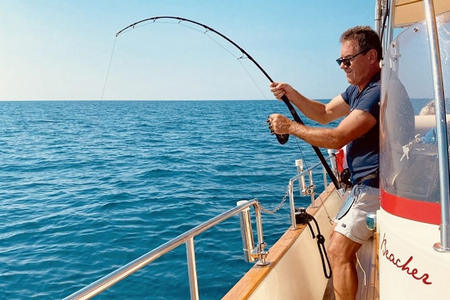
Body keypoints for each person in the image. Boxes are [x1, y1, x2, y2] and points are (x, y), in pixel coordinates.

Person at [267, 26, 382, 300]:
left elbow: (337, 136)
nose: (342, 66)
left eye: (347, 59)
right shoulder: (358, 89)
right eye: (339, 61)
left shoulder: (377, 92)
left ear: (371, 56)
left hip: (375, 187)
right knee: (337, 244)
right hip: (368, 186)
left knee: (337, 249)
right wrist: (291, 94)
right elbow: (324, 113)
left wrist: (290, 127)